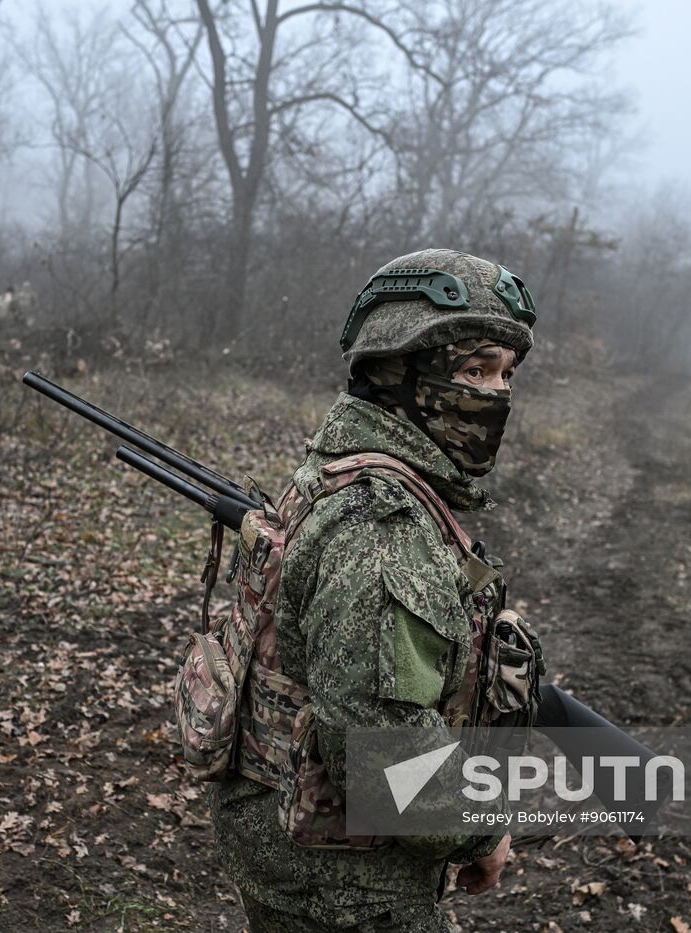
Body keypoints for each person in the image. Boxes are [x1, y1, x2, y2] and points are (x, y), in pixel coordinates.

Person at [213, 248, 543, 931]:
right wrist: (483, 832)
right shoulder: (379, 523)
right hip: (345, 886)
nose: (497, 395)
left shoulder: (346, 469)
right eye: (475, 370)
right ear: (398, 372)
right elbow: (383, 752)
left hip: (306, 858)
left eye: (505, 374)